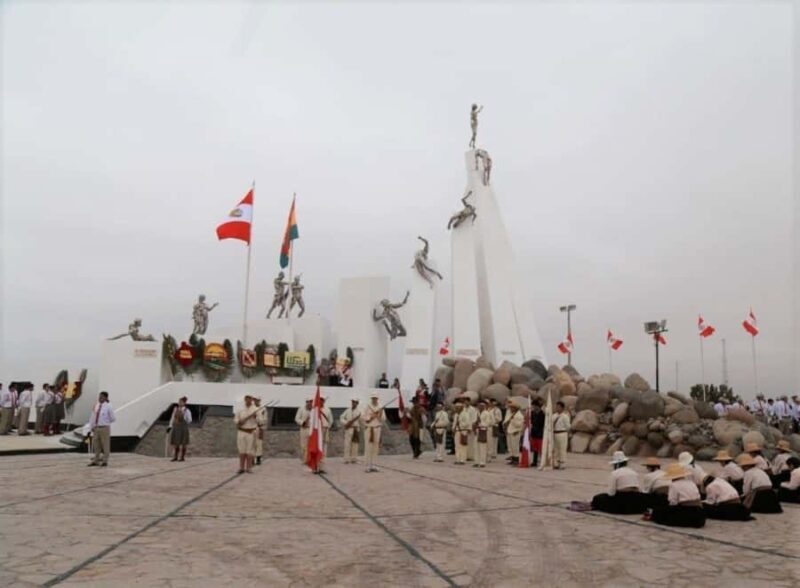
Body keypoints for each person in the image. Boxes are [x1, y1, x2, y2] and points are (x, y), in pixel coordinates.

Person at [650, 463, 706, 528]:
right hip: (699, 514)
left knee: (660, 512)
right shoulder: (691, 482)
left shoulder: (674, 485)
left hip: (687, 512)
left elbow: (673, 502)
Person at [88, 392, 116, 467]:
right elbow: (93, 416)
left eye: (101, 397)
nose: (100, 398)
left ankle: (105, 461)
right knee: (96, 445)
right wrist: (92, 426)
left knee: (105, 445)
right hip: (96, 428)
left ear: (106, 398)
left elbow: (113, 418)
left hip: (104, 428)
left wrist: (105, 422)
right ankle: (96, 460)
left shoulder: (108, 407)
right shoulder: (97, 405)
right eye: (99, 397)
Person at [233, 395, 259, 474]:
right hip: (241, 431)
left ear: (252, 400)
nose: (248, 400)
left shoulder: (256, 409)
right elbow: (235, 419)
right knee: (242, 450)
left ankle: (249, 468)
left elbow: (261, 421)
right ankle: (241, 467)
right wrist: (239, 421)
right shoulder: (240, 409)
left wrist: (255, 417)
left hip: (250, 432)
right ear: (245, 399)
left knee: (249, 451)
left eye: (250, 398)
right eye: (247, 398)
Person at [362, 393, 386, 472]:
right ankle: (367, 465)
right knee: (368, 447)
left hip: (377, 428)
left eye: (375, 398)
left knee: (376, 447)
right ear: (371, 398)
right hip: (369, 428)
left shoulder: (380, 407)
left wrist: (380, 413)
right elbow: (363, 417)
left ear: (377, 399)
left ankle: (374, 465)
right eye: (373, 398)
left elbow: (383, 419)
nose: (374, 399)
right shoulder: (367, 406)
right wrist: (370, 417)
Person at [168, 396, 192, 462]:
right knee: (176, 443)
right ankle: (175, 457)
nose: (179, 403)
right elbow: (172, 418)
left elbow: (190, 420)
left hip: (183, 428)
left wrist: (183, 419)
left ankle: (182, 457)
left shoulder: (187, 411)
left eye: (181, 402)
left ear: (184, 403)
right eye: (179, 402)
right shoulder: (175, 409)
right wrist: (170, 426)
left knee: (184, 443)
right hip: (176, 427)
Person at [340, 398, 362, 464]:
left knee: (355, 444)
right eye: (353, 402)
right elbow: (341, 417)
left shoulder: (360, 411)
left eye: (355, 402)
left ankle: (354, 459)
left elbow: (362, 420)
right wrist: (346, 422)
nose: (353, 403)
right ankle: (346, 459)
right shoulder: (347, 410)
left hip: (355, 429)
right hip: (348, 428)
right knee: (347, 444)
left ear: (357, 403)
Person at [504, 400, 524, 465]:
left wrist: (513, 420)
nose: (511, 409)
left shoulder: (519, 415)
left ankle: (516, 460)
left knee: (515, 446)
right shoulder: (512, 414)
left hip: (515, 432)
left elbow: (520, 425)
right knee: (511, 446)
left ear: (515, 408)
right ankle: (512, 458)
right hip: (510, 431)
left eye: (512, 408)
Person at [474, 400, 493, 468]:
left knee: (482, 447)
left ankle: (482, 462)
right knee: (476, 447)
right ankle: (476, 461)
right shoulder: (477, 413)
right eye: (479, 406)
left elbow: (487, 423)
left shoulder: (486, 413)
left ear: (484, 406)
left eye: (481, 406)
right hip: (477, 430)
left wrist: (480, 424)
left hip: (483, 430)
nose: (480, 407)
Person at [552, 401, 570, 470]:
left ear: (562, 408)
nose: (557, 408)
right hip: (555, 433)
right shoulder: (554, 416)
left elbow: (568, 426)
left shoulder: (565, 416)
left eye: (559, 407)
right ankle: (556, 462)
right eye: (556, 407)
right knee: (556, 449)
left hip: (562, 433)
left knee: (562, 448)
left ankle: (562, 463)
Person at [452, 400, 471, 465]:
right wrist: (453, 429)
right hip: (457, 431)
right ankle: (458, 459)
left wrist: (460, 424)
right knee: (457, 446)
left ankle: (462, 460)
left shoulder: (465, 414)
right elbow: (454, 423)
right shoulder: (456, 414)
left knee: (463, 446)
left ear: (462, 407)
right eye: (456, 407)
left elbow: (467, 423)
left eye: (458, 407)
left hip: (463, 430)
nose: (457, 408)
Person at [294, 398, 312, 463]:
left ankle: (310, 459)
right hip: (304, 429)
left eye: (310, 402)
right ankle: (304, 459)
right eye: (308, 402)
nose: (309, 403)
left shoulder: (314, 410)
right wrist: (303, 423)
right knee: (303, 445)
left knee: (311, 445)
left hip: (312, 429)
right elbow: (296, 418)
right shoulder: (301, 409)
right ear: (306, 402)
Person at [318, 397, 333, 473]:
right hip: (317, 431)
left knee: (324, 449)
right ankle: (316, 467)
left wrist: (327, 427)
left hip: (325, 430)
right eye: (320, 400)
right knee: (317, 449)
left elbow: (330, 420)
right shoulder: (315, 410)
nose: (321, 401)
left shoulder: (327, 410)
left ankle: (322, 467)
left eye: (322, 400)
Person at [529, 399, 545, 468]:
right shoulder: (532, 413)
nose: (533, 407)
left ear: (537, 406)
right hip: (534, 432)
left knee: (540, 448)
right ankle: (534, 461)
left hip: (540, 433)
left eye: (534, 406)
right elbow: (531, 422)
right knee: (534, 448)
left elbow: (542, 424)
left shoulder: (542, 414)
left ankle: (542, 461)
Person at [463, 396, 478, 461]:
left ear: (469, 402)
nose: (466, 403)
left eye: (467, 401)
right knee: (464, 442)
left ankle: (471, 456)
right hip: (464, 428)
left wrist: (470, 427)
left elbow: (473, 419)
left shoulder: (473, 409)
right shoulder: (463, 409)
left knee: (471, 442)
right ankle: (465, 456)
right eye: (465, 402)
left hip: (470, 427)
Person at [254, 397, 266, 466]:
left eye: (258, 400)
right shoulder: (251, 408)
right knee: (251, 444)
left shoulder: (263, 409)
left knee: (259, 444)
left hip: (259, 427)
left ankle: (258, 458)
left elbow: (265, 419)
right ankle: (252, 458)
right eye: (255, 400)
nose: (256, 401)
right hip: (251, 427)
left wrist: (261, 424)